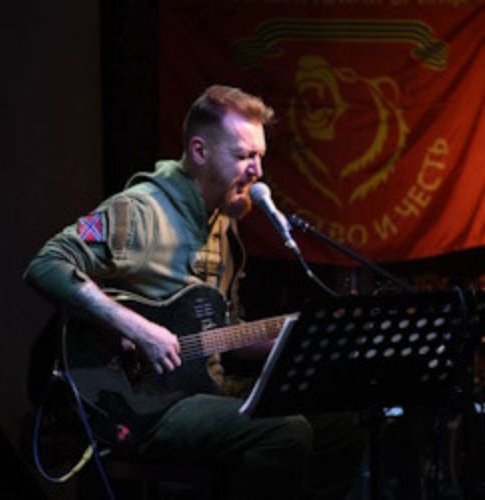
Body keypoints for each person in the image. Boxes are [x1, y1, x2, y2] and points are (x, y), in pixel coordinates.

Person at [24, 84, 364, 499]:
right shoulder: (139, 210)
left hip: (206, 385)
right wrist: (137, 328)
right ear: (200, 152)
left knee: (339, 426)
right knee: (284, 432)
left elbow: (222, 334)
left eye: (260, 156)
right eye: (244, 156)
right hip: (146, 404)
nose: (257, 171)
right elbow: (47, 264)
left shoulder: (224, 222)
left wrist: (300, 337)